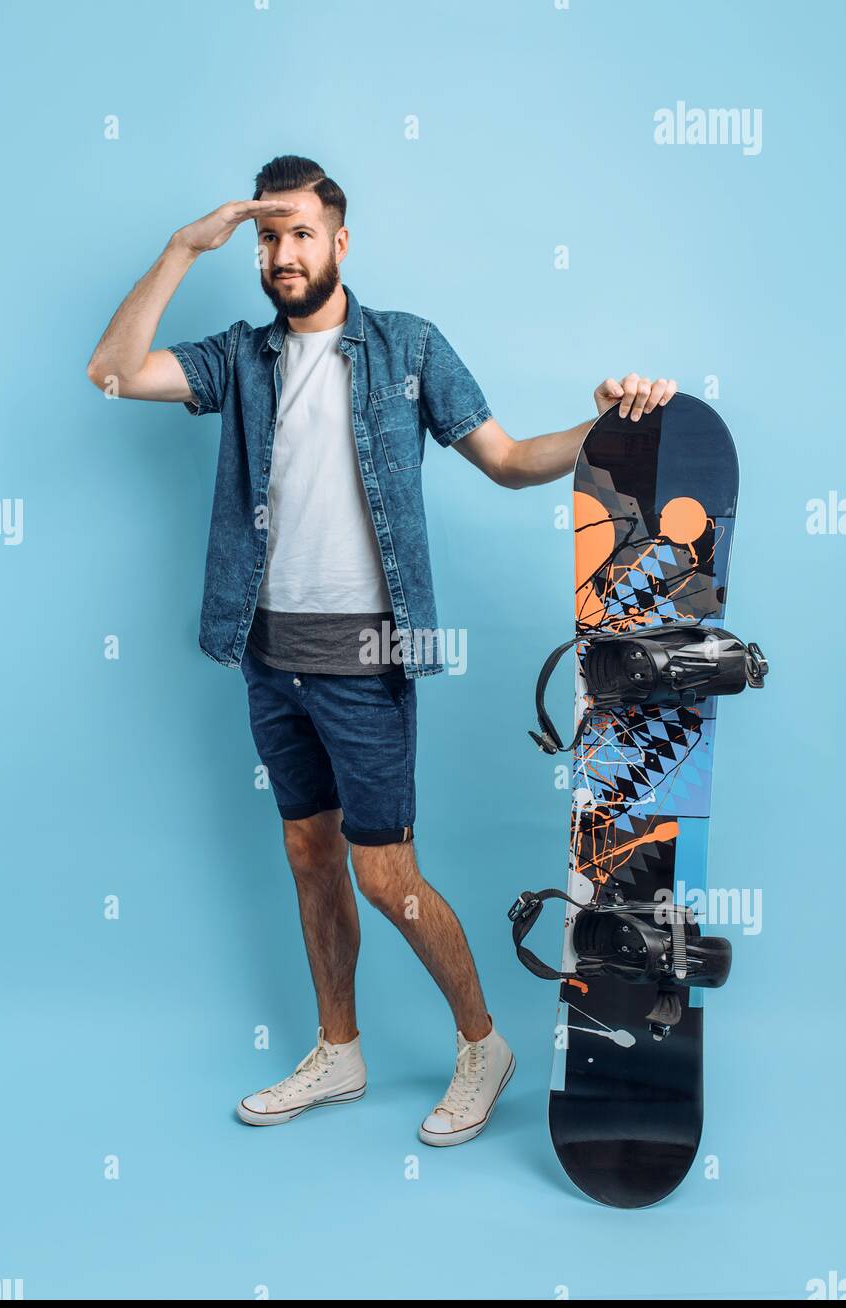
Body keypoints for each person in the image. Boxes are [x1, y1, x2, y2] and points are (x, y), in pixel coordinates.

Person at [86, 154, 678, 1146]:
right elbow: (112, 371)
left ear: (339, 241)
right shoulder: (239, 359)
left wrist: (609, 427)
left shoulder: (404, 347)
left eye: (301, 233)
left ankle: (481, 1043)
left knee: (385, 875)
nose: (281, 253)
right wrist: (185, 245)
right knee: (307, 855)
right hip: (266, 657)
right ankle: (339, 1050)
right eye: (268, 236)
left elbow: (506, 460)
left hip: (364, 660)